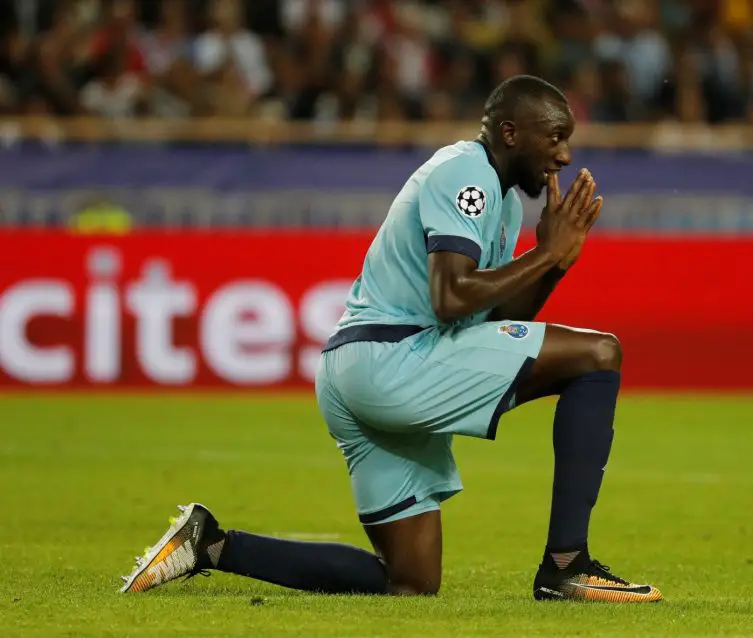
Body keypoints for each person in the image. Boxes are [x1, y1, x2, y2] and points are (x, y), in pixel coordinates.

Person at [118, 75, 662, 603]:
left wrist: (554, 264)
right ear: (510, 133)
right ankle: (566, 565)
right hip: (393, 360)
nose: (564, 155)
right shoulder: (467, 173)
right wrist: (545, 254)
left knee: (410, 579)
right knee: (599, 354)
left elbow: (493, 314)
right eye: (555, 137)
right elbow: (451, 296)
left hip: (354, 370)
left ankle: (211, 545)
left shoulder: (505, 202)